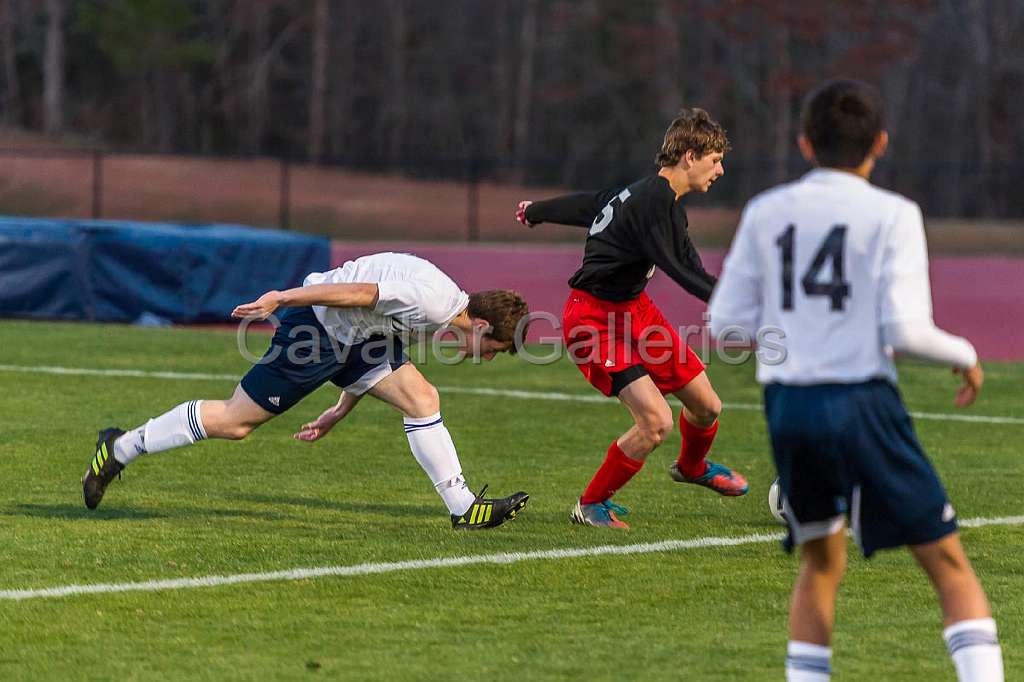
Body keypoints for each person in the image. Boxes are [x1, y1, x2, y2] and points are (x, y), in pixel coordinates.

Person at [708, 79, 1003, 681]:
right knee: (948, 563)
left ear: (805, 143)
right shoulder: (894, 213)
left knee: (820, 564)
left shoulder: (766, 211)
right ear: (881, 144)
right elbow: (907, 330)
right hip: (861, 401)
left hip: (789, 406)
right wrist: (967, 354)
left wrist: (799, 333)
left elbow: (725, 326)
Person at [83, 251, 531, 531]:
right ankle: (120, 447)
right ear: (483, 326)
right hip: (316, 330)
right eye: (493, 348)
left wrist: (340, 408)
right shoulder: (433, 303)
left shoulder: (441, 312)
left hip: (355, 338)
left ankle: (464, 508)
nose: (487, 357)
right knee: (235, 423)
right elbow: (357, 292)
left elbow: (380, 345)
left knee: (423, 399)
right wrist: (281, 297)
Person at [515, 108, 749, 530]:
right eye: (715, 160)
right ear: (689, 156)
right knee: (655, 421)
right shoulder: (655, 202)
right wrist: (740, 305)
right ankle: (590, 504)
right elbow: (682, 269)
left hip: (635, 312)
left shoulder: (648, 196)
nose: (721, 169)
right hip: (593, 321)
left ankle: (691, 467)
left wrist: (537, 210)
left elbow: (591, 203)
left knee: (707, 406)